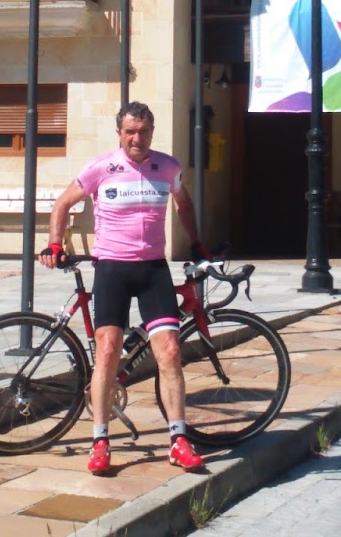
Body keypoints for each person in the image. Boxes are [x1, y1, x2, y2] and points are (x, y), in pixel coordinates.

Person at [42, 101, 210, 476]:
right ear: (120, 133)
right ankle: (100, 441)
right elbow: (63, 203)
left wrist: (197, 242)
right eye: (130, 131)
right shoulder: (101, 167)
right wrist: (56, 243)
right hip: (112, 268)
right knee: (107, 352)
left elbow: (183, 204)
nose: (137, 138)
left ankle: (179, 440)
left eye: (144, 131)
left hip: (153, 268)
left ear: (152, 131)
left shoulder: (167, 166)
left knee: (169, 351)